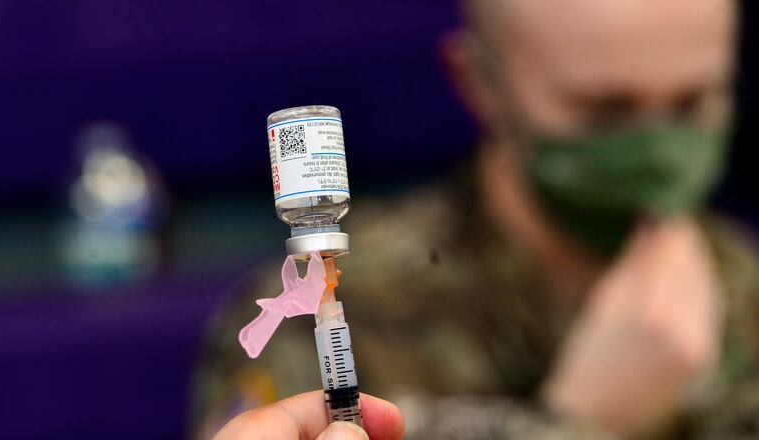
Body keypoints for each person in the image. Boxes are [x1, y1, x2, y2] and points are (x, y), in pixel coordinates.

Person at [194, 0, 759, 438]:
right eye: (603, 109)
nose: (657, 151)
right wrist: (578, 423)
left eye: (692, 102)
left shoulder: (749, 292)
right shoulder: (324, 313)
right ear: (480, 83)